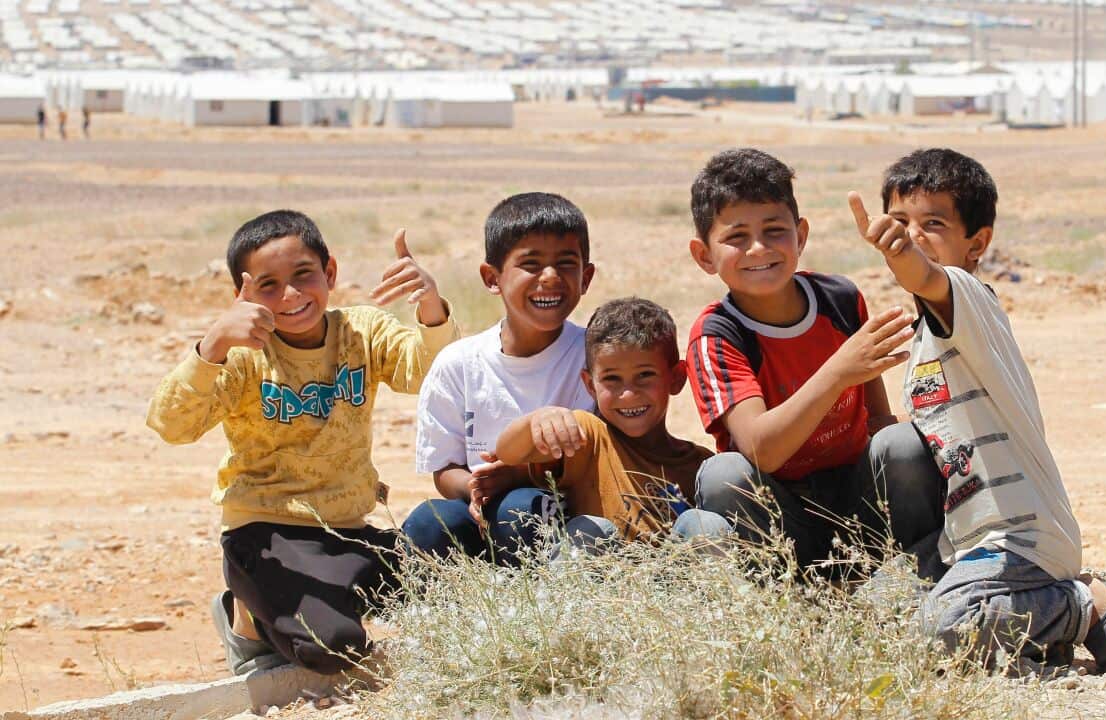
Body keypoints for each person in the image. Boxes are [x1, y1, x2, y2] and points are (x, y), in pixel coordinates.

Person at [852, 147, 1106, 675]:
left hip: (1021, 539)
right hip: (962, 542)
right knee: (865, 623)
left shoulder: (969, 300)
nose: (912, 235)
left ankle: (1084, 606)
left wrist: (902, 250)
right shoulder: (924, 333)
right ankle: (1036, 641)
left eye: (932, 224)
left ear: (977, 245)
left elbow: (926, 276)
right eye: (900, 221)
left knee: (942, 628)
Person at [146, 210, 458, 675]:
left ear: (329, 272)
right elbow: (172, 425)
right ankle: (246, 612)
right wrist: (212, 345)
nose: (290, 295)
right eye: (268, 285)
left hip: (350, 532)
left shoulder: (362, 331)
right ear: (242, 296)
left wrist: (430, 306)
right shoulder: (243, 355)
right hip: (269, 535)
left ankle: (286, 601)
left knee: (464, 597)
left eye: (303, 275)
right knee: (335, 647)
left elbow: (428, 373)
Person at [683, 148, 943, 578]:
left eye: (774, 230)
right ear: (704, 255)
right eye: (736, 237)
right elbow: (763, 451)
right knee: (721, 475)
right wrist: (838, 371)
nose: (759, 248)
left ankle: (903, 578)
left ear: (800, 235)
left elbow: (876, 417)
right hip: (781, 516)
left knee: (903, 443)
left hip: (858, 507)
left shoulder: (838, 299)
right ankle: (791, 591)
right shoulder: (716, 334)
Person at [403, 192, 596, 564]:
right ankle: (444, 613)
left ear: (586, 277)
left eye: (566, 263)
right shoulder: (458, 363)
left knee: (521, 507)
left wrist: (521, 475)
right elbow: (445, 470)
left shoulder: (595, 356)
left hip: (566, 521)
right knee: (430, 521)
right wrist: (476, 488)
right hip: (480, 512)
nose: (551, 277)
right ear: (492, 278)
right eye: (531, 264)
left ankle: (527, 609)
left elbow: (599, 457)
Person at [494, 297, 722, 551]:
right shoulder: (589, 437)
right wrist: (539, 419)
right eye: (612, 379)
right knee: (587, 529)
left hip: (676, 584)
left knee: (704, 523)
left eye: (645, 375)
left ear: (676, 378)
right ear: (590, 385)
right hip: (602, 582)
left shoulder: (698, 465)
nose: (628, 394)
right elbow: (508, 452)